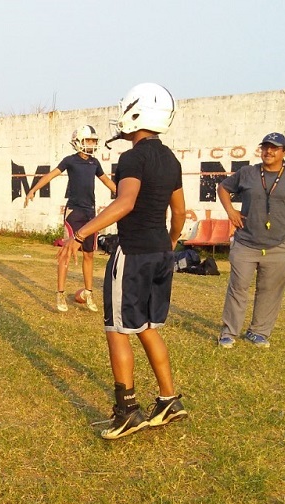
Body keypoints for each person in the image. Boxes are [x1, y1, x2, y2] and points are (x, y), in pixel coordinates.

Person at [57, 83, 188, 439]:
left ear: (135, 113)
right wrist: (171, 242)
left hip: (134, 254)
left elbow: (125, 201)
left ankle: (127, 411)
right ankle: (168, 401)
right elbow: (179, 211)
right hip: (161, 252)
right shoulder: (171, 158)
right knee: (147, 326)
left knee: (116, 329)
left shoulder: (132, 157)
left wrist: (80, 234)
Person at [216, 132, 285, 348]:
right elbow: (223, 188)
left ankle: (259, 332)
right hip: (246, 242)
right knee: (238, 287)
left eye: (274, 148)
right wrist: (231, 211)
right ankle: (229, 332)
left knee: (270, 289)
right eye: (265, 147)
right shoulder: (247, 173)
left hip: (279, 245)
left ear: (284, 152)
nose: (268, 151)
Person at [25, 125, 117, 313]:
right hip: (74, 211)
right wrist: (33, 189)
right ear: (78, 142)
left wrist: (124, 195)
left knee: (89, 254)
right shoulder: (70, 161)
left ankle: (88, 292)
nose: (91, 144)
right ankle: (60, 293)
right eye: (88, 140)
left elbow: (107, 181)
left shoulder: (95, 163)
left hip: (90, 213)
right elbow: (51, 175)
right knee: (66, 252)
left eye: (93, 141)